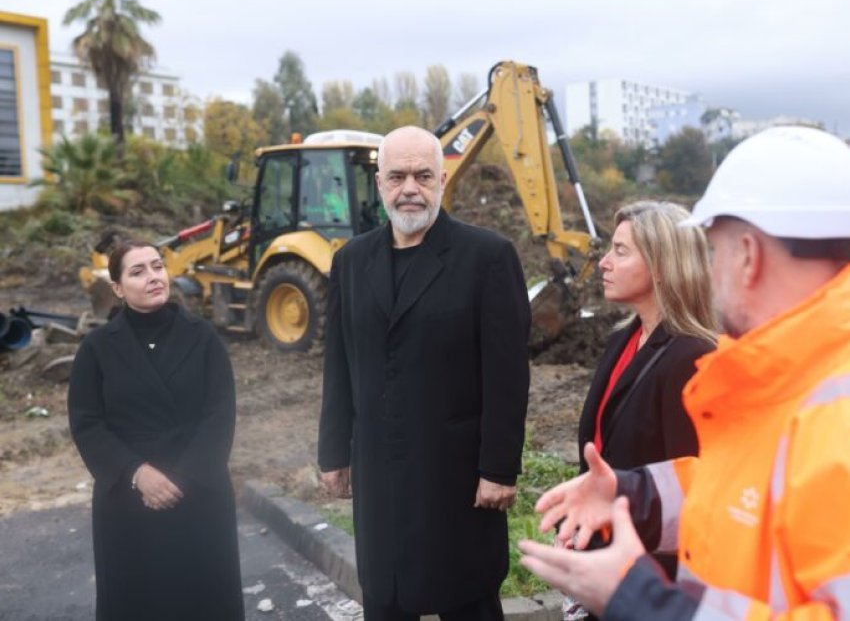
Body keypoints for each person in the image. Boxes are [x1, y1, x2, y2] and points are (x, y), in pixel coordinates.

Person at [518, 126, 850, 619]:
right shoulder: (794, 382)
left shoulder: (833, 415)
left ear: (748, 256)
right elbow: (740, 489)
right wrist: (634, 495)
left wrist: (644, 601)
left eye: (713, 251)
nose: (707, 270)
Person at [318, 125, 530, 620]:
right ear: (379, 184)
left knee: (467, 597)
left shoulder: (487, 257)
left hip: (455, 477)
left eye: (422, 175)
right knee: (387, 598)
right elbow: (338, 364)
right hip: (379, 475)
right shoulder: (351, 262)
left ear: (441, 180)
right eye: (396, 176)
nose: (409, 188)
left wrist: (498, 467)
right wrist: (333, 452)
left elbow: (507, 374)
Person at [67, 240, 244, 621]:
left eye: (157, 266)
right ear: (117, 288)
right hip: (128, 502)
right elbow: (86, 423)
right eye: (138, 271)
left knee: (204, 601)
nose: (153, 277)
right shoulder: (96, 349)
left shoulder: (204, 338)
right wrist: (136, 473)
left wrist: (180, 476)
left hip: (198, 493)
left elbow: (220, 416)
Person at [563, 201, 716, 620]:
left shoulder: (690, 358)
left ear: (663, 265)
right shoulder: (622, 342)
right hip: (609, 558)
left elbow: (690, 491)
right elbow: (599, 450)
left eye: (621, 251)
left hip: (649, 578)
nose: (605, 263)